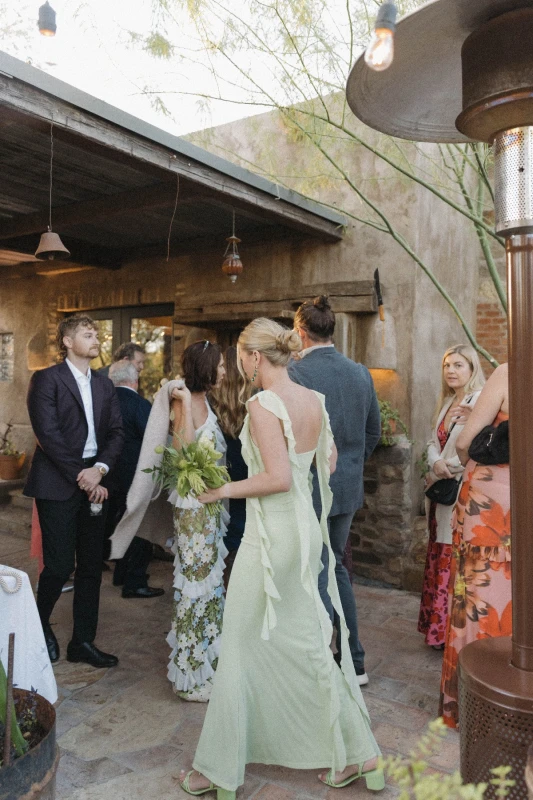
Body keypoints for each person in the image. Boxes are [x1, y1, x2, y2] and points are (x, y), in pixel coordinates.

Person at [179, 318, 383, 800]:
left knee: (240, 643)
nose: (242, 367)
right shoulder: (315, 401)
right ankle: (363, 754)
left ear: (254, 358)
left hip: (271, 537)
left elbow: (277, 478)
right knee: (305, 640)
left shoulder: (264, 403)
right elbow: (326, 463)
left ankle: (219, 769)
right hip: (304, 531)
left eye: (242, 357)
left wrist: (222, 489)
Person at [288, 296, 380, 685]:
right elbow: (373, 431)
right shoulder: (360, 373)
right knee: (334, 567)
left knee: (315, 569)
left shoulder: (295, 373)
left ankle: (330, 659)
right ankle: (352, 657)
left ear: (300, 332)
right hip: (346, 488)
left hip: (310, 486)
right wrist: (350, 468)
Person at [24, 315, 124, 668]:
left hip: (95, 480)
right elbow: (47, 434)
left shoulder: (105, 385)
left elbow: (116, 433)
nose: (96, 339)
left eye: (97, 334)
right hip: (57, 483)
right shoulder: (47, 379)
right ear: (67, 341)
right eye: (87, 334)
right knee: (60, 564)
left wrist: (99, 471)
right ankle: (36, 624)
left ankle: (82, 641)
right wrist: (82, 476)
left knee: (91, 568)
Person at [439, 363, 510, 729]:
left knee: (477, 596)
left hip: (490, 499)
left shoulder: (509, 373)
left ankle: (470, 704)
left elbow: (465, 442)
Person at [166, 341, 227, 702]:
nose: (223, 371)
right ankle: (188, 674)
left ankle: (207, 661)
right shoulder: (182, 398)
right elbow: (181, 452)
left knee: (209, 584)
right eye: (219, 366)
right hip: (191, 509)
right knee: (194, 583)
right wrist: (186, 404)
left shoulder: (209, 399)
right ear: (205, 367)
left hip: (209, 507)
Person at [418, 345, 485, 650]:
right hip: (440, 489)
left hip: (460, 491)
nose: (451, 371)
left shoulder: (480, 400)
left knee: (451, 559)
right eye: (447, 365)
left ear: (472, 368)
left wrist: (447, 467)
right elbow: (433, 440)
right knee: (438, 554)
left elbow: (476, 446)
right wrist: (435, 461)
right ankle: (435, 631)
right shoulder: (447, 402)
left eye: (458, 365)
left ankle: (449, 635)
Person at [107, 361, 164, 599]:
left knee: (119, 523)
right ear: (135, 381)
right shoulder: (140, 404)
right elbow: (154, 439)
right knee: (139, 529)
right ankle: (135, 581)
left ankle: (120, 573)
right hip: (135, 476)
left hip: (108, 477)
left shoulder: (103, 403)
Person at [208, 346, 251, 587]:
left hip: (222, 476)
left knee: (227, 531)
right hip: (245, 474)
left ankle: (223, 587)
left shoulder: (210, 404)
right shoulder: (255, 402)